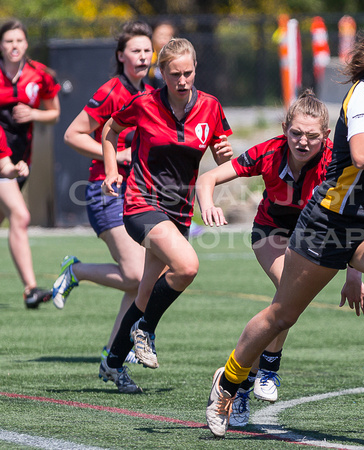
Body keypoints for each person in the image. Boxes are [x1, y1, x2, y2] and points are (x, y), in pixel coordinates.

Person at [205, 25, 364, 438]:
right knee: (283, 314)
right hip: (330, 222)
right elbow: (363, 152)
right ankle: (228, 382)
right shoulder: (360, 98)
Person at [196, 89, 364, 427]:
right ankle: (270, 366)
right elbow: (209, 177)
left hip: (313, 237)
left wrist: (355, 275)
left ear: (326, 135)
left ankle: (239, 383)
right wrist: (208, 204)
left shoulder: (335, 163)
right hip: (270, 232)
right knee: (286, 296)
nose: (303, 142)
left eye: (312, 135)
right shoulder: (269, 152)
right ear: (284, 128)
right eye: (296, 133)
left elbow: (353, 220)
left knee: (285, 307)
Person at [99, 38, 233, 393]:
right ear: (162, 73)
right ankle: (145, 330)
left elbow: (223, 161)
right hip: (141, 203)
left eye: (188, 73)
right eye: (175, 74)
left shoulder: (210, 107)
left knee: (145, 293)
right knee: (187, 266)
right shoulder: (143, 103)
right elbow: (109, 130)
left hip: (179, 213)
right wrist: (112, 170)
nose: (183, 80)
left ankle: (112, 363)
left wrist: (224, 156)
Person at [53, 21, 154, 364]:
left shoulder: (152, 91)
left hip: (138, 192)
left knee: (140, 280)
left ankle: (114, 353)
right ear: (120, 56)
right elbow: (73, 134)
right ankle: (76, 271)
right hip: (105, 188)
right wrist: (116, 155)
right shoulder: (113, 90)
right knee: (137, 275)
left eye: (147, 50)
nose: (143, 56)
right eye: (135, 50)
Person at [0, 19, 60, 308]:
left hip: (22, 160)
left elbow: (54, 113)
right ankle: (31, 289)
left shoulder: (39, 75)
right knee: (20, 216)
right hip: (3, 162)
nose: (14, 46)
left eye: (19, 41)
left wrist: (34, 114)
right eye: (9, 41)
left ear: (26, 43)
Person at [148, 20, 176, 88]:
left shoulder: (176, 58)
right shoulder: (147, 57)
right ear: (153, 35)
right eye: (161, 35)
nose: (164, 38)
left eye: (168, 35)